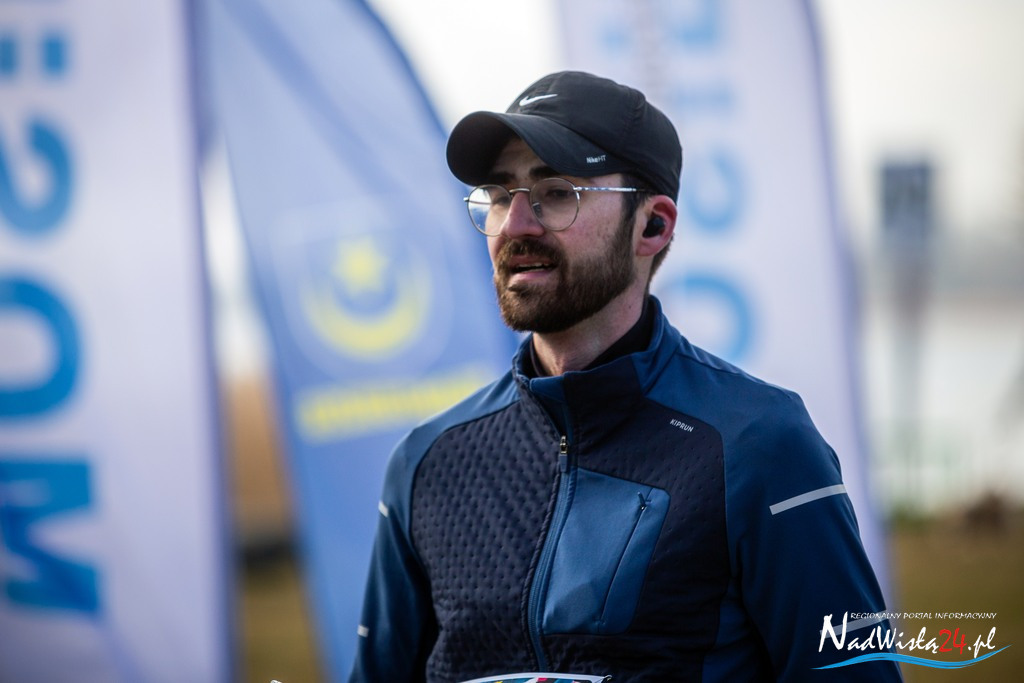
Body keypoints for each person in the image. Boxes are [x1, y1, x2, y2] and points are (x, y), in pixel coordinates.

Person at [349, 71, 901, 682]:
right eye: (501, 195)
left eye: (556, 192)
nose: (515, 225)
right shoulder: (427, 462)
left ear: (653, 225)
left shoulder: (760, 446)